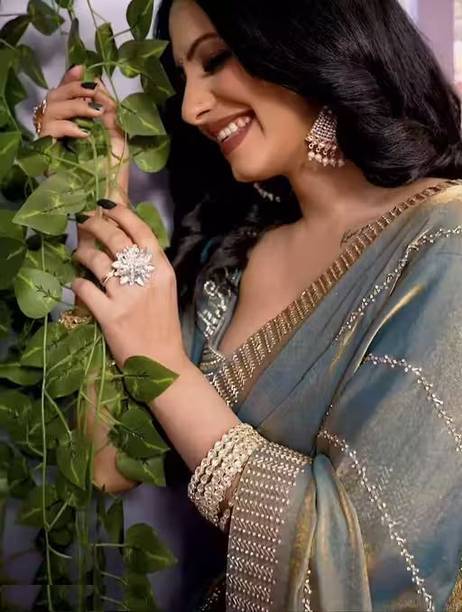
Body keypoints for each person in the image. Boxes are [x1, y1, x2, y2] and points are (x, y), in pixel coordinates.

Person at [37, 0, 462, 609]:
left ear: (309, 37)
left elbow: (370, 570)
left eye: (215, 59)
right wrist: (101, 200)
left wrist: (168, 366)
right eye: (183, 78)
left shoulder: (446, 242)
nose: (192, 108)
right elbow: (108, 463)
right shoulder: (234, 260)